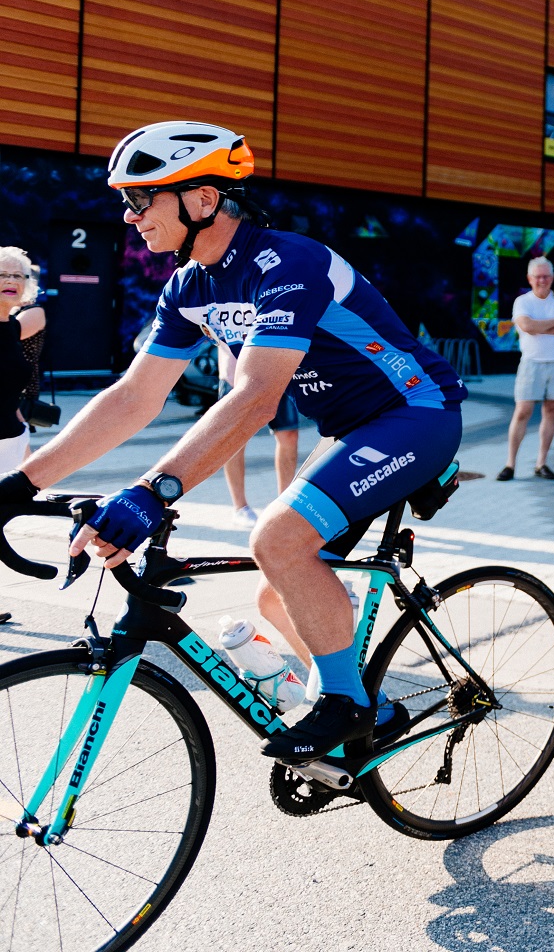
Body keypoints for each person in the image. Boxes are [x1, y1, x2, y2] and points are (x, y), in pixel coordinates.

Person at [0, 120, 466, 761]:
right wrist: (20, 487)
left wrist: (153, 491)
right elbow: (134, 397)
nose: (130, 217)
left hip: (417, 413)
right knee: (279, 589)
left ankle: (345, 706)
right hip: (353, 430)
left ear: (202, 199)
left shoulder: (288, 263)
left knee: (276, 537)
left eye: (141, 199)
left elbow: (255, 398)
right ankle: (371, 706)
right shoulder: (190, 285)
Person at [501, 256, 554, 480]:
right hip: (532, 363)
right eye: (538, 277)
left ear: (552, 277)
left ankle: (541, 463)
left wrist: (540, 327)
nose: (542, 281)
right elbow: (526, 326)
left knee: (552, 411)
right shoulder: (522, 301)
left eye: (546, 276)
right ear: (529, 278)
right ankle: (510, 464)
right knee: (523, 411)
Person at [218, 343, 300, 526]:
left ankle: (284, 507)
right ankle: (240, 507)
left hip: (279, 368)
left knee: (289, 435)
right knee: (235, 440)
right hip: (236, 371)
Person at [0, 247, 46, 472]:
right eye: (2, 274)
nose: (11, 281)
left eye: (17, 275)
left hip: (13, 440)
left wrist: (22, 431)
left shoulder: (12, 328)